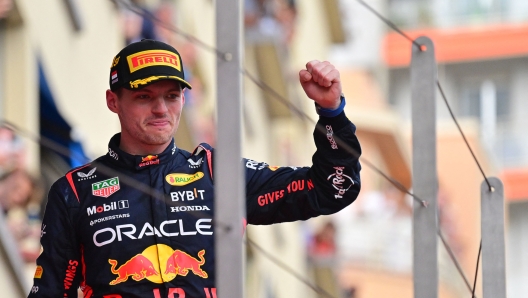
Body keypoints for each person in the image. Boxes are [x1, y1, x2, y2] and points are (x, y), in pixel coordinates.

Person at [28, 39, 361, 298]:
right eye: (144, 97)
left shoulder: (219, 173)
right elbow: (50, 291)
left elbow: (332, 189)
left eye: (172, 96)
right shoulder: (75, 191)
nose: (161, 109)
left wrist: (331, 113)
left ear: (184, 100)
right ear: (113, 101)